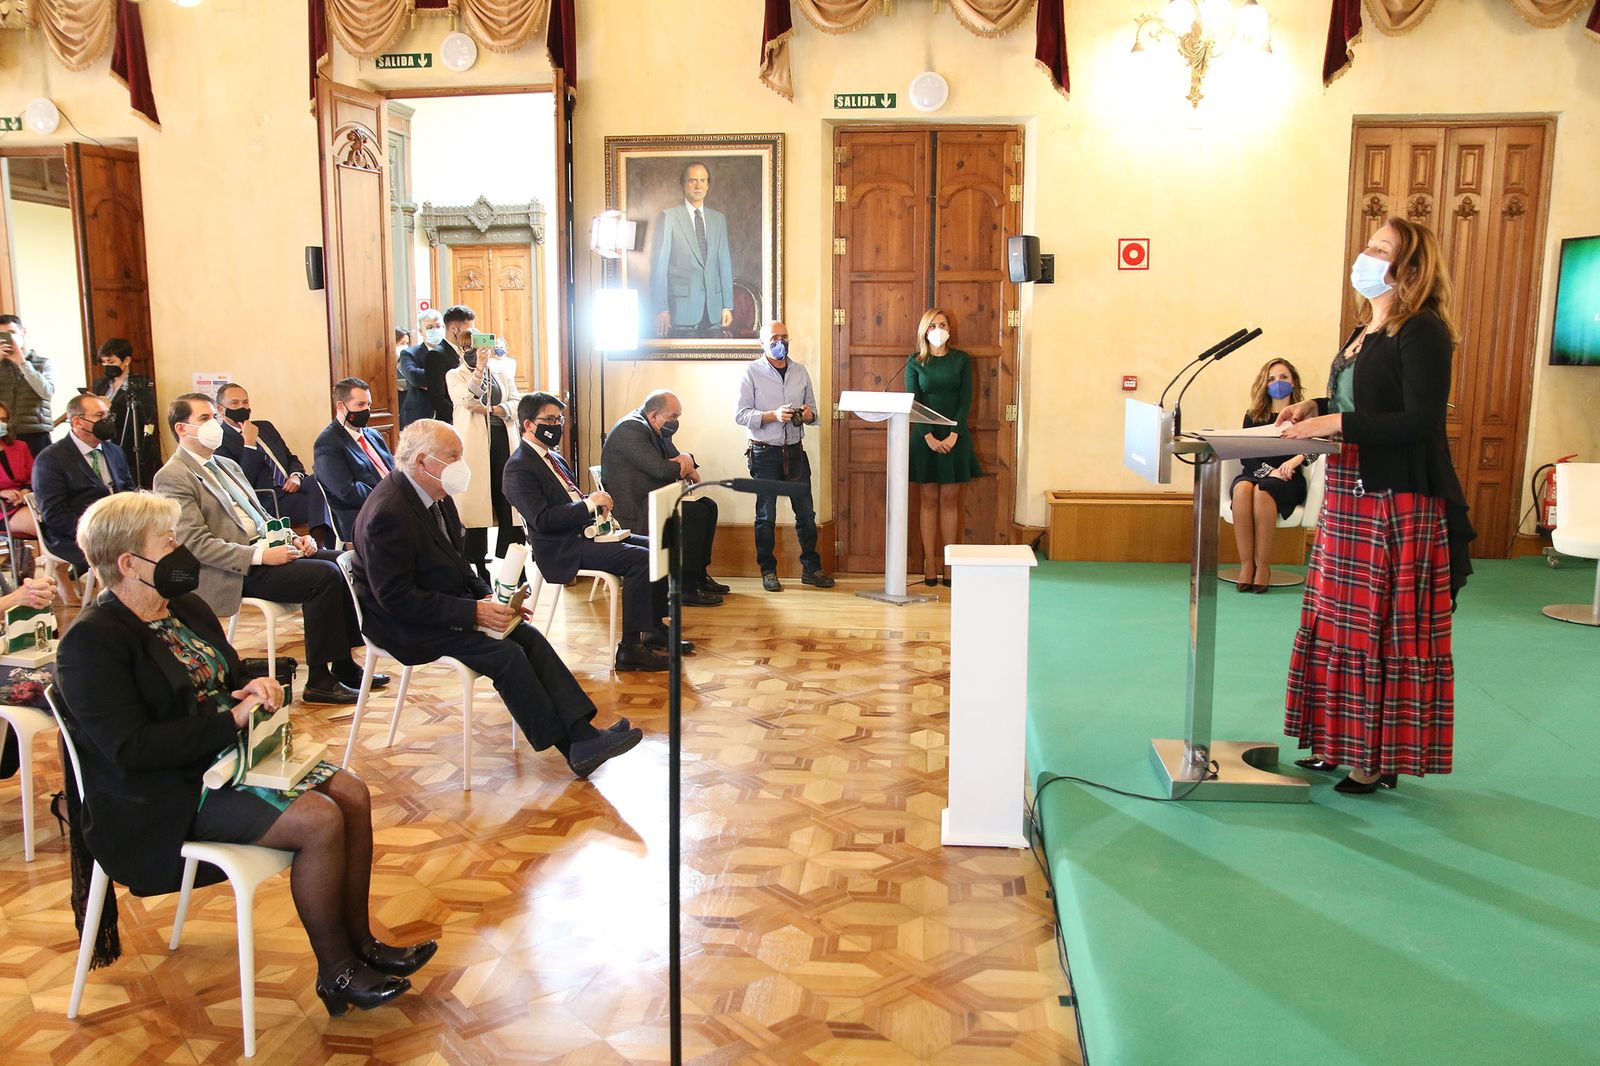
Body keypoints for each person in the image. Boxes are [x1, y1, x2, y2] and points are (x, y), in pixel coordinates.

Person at [56, 492, 428, 1015]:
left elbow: (229, 674)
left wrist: (255, 688)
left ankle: (363, 944)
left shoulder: (182, 605)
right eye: (169, 543)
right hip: (168, 793)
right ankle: (337, 970)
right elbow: (131, 748)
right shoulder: (92, 642)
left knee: (353, 791)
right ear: (128, 564)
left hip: (232, 757)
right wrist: (226, 719)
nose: (181, 551)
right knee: (320, 820)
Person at [1277, 215, 1472, 795]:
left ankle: (1376, 757)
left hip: (1396, 498)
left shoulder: (1424, 332)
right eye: (1369, 244)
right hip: (1349, 493)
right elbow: (1356, 396)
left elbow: (1420, 421)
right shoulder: (1364, 329)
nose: (1367, 255)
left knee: (1378, 631)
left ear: (1408, 268)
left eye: (1381, 249)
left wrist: (1337, 420)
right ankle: (1336, 740)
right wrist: (1313, 405)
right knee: (1336, 623)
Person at [352, 419, 643, 777]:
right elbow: (395, 598)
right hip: (403, 624)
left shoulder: (432, 495)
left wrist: (490, 596)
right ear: (424, 461)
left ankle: (583, 734)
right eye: (453, 456)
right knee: (507, 655)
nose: (462, 464)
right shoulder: (389, 513)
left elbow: (456, 562)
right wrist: (473, 612)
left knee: (528, 637)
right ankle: (572, 748)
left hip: (438, 605)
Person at [154, 393, 381, 706]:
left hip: (267, 549)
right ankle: (319, 679)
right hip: (233, 568)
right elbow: (196, 544)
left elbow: (262, 516)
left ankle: (343, 663)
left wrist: (293, 538)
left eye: (214, 417)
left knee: (344, 561)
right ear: (181, 429)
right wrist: (261, 556)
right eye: (204, 419)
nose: (215, 425)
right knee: (323, 577)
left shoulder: (226, 465)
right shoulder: (172, 476)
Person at [505, 393, 675, 673]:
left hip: (585, 533)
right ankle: (630, 649)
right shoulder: (519, 467)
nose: (557, 425)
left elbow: (571, 499)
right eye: (549, 420)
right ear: (528, 424)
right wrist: (588, 504)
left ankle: (654, 627)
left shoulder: (554, 457)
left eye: (559, 419)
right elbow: (543, 520)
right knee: (640, 560)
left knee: (658, 546)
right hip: (561, 547)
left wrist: (596, 506)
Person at [602, 390, 727, 604]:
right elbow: (661, 470)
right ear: (654, 415)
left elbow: (676, 458)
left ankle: (697, 575)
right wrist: (683, 464)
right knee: (695, 513)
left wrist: (687, 458)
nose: (676, 422)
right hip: (635, 507)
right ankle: (685, 587)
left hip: (652, 497)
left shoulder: (657, 427)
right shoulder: (630, 428)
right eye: (673, 417)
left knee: (708, 506)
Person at [735, 321, 833, 592]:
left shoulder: (800, 371)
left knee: (806, 514)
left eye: (785, 337)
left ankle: (811, 569)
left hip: (795, 453)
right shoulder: (751, 372)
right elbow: (740, 414)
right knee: (765, 516)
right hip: (764, 453)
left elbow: (813, 411)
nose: (781, 342)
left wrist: (808, 414)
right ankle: (768, 571)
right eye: (774, 338)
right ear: (763, 343)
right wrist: (772, 416)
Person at [905, 308, 982, 587]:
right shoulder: (915, 362)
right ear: (925, 331)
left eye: (943, 324)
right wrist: (928, 436)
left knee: (950, 502)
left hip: (955, 437)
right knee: (928, 501)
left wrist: (953, 435)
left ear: (950, 328)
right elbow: (913, 403)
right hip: (925, 439)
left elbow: (965, 401)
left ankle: (950, 564)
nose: (939, 329)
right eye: (933, 325)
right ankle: (929, 563)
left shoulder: (961, 360)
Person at [215, 383, 337, 549]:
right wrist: (249, 444)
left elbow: (291, 458)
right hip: (269, 497)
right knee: (329, 502)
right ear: (221, 410)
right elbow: (241, 483)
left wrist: (296, 475)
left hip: (294, 485)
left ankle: (325, 546)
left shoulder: (265, 427)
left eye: (245, 402)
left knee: (322, 480)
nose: (242, 407)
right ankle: (324, 546)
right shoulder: (219, 440)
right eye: (235, 403)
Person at [31, 393, 135, 581]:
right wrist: (98, 531)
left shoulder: (115, 451)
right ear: (78, 422)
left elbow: (129, 491)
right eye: (99, 416)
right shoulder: (51, 459)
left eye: (108, 415)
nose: (107, 420)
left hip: (119, 528)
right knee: (132, 555)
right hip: (75, 534)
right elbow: (55, 514)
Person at [1229, 358, 1312, 593]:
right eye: (1272, 378)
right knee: (1243, 489)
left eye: (1284, 377)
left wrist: (1295, 460)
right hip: (1256, 471)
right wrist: (1269, 471)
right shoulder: (1253, 415)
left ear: (1294, 382)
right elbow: (1246, 455)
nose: (1278, 382)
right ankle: (1246, 566)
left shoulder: (1306, 414)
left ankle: (1263, 567)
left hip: (1288, 478)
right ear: (1264, 384)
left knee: (1263, 490)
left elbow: (1318, 447)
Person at [445, 334, 523, 580]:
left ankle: (515, 565)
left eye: (478, 346)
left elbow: (516, 401)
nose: (474, 350)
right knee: (475, 503)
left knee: (508, 500)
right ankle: (477, 566)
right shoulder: (455, 375)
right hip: (475, 446)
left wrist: (492, 409)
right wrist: (478, 368)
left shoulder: (502, 370)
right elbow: (467, 399)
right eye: (468, 347)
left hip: (504, 440)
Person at [650, 161, 735, 338]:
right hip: (680, 312)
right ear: (683, 185)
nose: (698, 185)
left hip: (713, 313)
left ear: (708, 185)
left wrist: (727, 305)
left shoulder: (718, 219)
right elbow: (660, 267)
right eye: (692, 181)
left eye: (703, 180)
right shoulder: (669, 217)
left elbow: (724, 264)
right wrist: (661, 308)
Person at [312, 378, 396, 544]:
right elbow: (348, 491)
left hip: (393, 503)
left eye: (369, 405)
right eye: (360, 405)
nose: (367, 410)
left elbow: (392, 470)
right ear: (341, 407)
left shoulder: (374, 435)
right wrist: (389, 497)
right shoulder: (327, 443)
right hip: (365, 513)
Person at [91, 338, 161, 488]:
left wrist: (111, 408)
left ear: (126, 360)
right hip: (103, 442)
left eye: (111, 362)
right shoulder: (100, 384)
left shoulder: (139, 385)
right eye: (103, 362)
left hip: (128, 442)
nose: (106, 366)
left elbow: (146, 416)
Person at [0, 315, 54, 456]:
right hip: (3, 434)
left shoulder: (43, 363)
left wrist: (22, 363)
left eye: (12, 332)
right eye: (2, 335)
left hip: (36, 434)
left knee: (39, 476)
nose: (9, 338)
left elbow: (46, 392)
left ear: (23, 332)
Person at [424, 305, 474, 423]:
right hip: (452, 420)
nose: (470, 336)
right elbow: (437, 398)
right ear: (454, 329)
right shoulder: (436, 355)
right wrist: (461, 414)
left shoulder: (469, 352)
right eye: (468, 331)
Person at [0, 399, 39, 542]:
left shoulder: (20, 446)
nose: (1, 424)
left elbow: (35, 478)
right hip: (2, 509)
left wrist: (25, 491)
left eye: (3, 420)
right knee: (44, 525)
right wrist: (2, 493)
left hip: (26, 502)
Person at [398, 309, 444, 428]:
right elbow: (415, 377)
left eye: (438, 326)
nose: (435, 330)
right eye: (429, 327)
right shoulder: (409, 354)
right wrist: (445, 376)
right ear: (421, 331)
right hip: (419, 415)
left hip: (447, 412)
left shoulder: (450, 353)